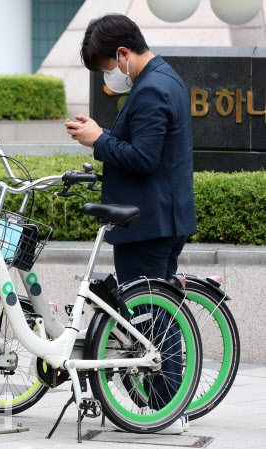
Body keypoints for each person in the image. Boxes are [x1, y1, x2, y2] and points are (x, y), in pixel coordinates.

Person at [65, 14, 197, 433]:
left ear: (122, 54)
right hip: (158, 218)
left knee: (151, 321)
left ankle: (163, 409)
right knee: (156, 315)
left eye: (107, 67)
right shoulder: (162, 79)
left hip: (149, 222)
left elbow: (144, 158)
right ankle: (165, 406)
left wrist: (99, 141)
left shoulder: (153, 88)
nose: (109, 75)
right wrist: (101, 133)